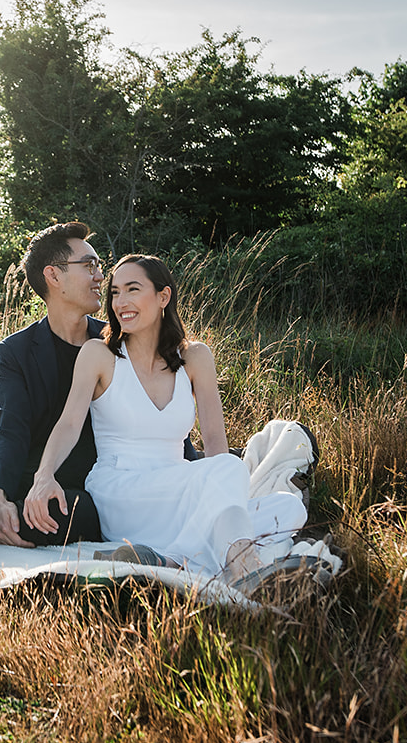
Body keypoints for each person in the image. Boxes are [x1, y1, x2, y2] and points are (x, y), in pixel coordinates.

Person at [0, 223, 193, 605]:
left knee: (62, 510)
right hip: (31, 485)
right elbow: (10, 431)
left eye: (99, 266)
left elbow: (156, 415)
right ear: (53, 276)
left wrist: (191, 471)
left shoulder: (120, 343)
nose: (100, 277)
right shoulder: (17, 351)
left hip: (93, 493)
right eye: (89, 265)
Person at [23, 254, 307, 592]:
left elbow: (214, 437)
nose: (120, 302)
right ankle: (243, 569)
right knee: (233, 478)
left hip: (180, 490)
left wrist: (221, 497)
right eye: (114, 292)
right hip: (123, 490)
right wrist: (44, 477)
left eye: (132, 289)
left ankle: (165, 560)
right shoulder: (98, 355)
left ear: (163, 297)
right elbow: (68, 424)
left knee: (288, 507)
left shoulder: (195, 357)